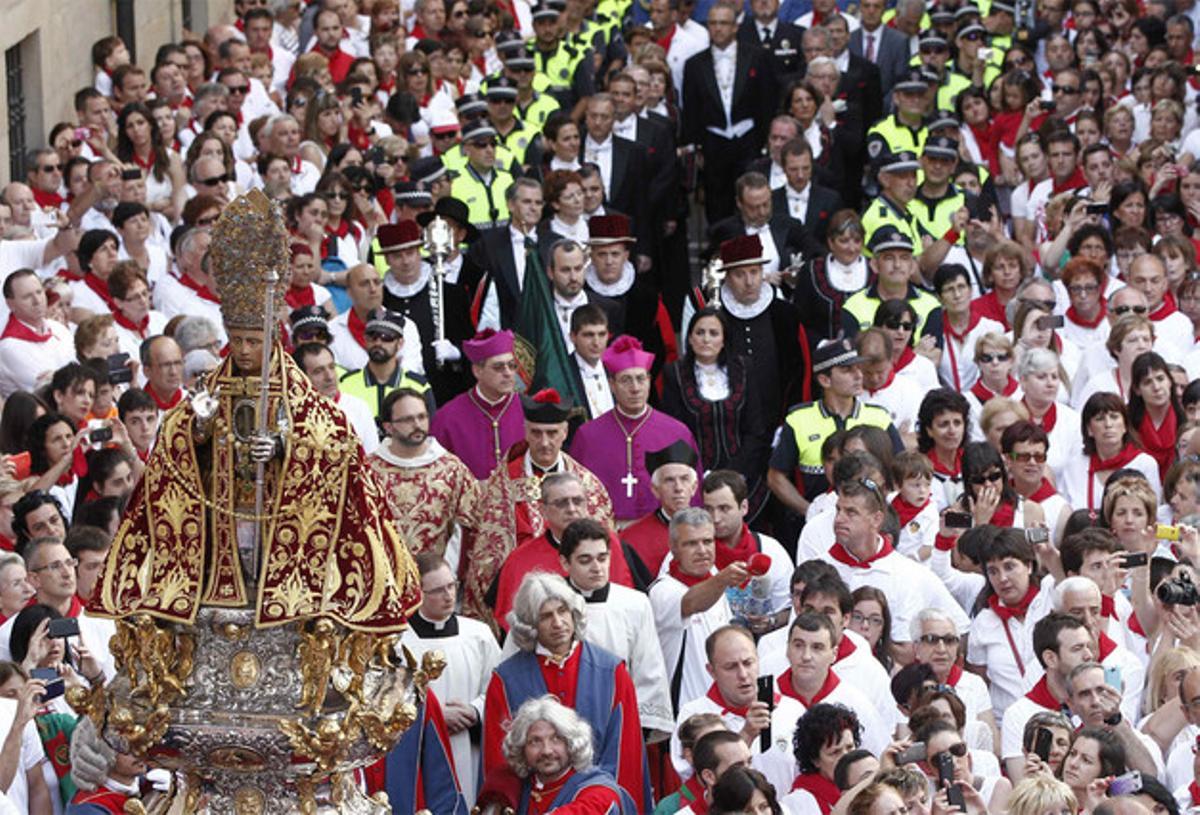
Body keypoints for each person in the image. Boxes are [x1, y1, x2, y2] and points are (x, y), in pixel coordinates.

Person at [87, 190, 421, 633]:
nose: (244, 351)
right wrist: (202, 430)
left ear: (270, 338)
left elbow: (332, 443)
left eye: (253, 341)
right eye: (237, 340)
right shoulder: (212, 384)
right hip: (222, 517)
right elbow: (178, 445)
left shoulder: (297, 392)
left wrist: (283, 445)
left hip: (281, 521)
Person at [482, 572, 652, 811]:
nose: (558, 623)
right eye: (545, 616)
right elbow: (499, 764)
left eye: (562, 611)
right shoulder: (506, 680)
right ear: (530, 625)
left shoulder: (611, 671)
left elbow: (624, 755)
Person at [466, 390, 618, 621]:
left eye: (552, 433)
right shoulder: (504, 483)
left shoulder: (588, 485)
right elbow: (488, 553)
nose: (544, 442)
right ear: (526, 431)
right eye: (536, 433)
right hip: (524, 588)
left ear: (565, 432)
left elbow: (606, 549)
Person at [555, 518, 674, 740]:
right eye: (585, 560)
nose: (597, 568)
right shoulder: (547, 602)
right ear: (565, 563)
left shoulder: (635, 603)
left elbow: (649, 668)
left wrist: (635, 725)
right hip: (559, 726)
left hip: (618, 723)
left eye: (602, 558)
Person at [399, 553, 500, 809]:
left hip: (468, 744)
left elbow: (499, 689)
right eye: (437, 590)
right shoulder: (398, 642)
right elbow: (387, 700)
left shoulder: (478, 634)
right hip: (419, 749)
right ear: (417, 593)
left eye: (451, 585)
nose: (448, 596)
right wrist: (433, 717)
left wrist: (475, 710)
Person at [570, 335, 701, 523]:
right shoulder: (588, 436)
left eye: (641, 379)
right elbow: (576, 494)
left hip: (665, 533)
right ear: (612, 385)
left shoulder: (677, 433)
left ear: (649, 380)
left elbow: (694, 495)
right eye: (626, 380)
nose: (635, 388)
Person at [488, 472, 636, 631]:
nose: (572, 509)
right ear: (542, 510)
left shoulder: (613, 545)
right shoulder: (520, 559)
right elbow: (513, 624)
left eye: (578, 501)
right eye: (561, 503)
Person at [660, 307, 772, 517]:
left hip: (743, 476)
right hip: (695, 478)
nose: (706, 339)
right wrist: (700, 473)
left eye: (713, 333)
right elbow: (674, 433)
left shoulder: (743, 369)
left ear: (723, 339)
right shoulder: (675, 374)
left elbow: (755, 429)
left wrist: (735, 472)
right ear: (690, 338)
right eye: (699, 333)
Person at [670, 624, 805, 796]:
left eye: (748, 663)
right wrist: (746, 735)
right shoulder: (694, 715)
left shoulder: (791, 710)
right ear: (711, 671)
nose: (743, 674)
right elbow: (692, 782)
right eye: (731, 667)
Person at [367, 388, 479, 571]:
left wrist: (447, 574)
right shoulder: (369, 471)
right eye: (407, 419)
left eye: (422, 417)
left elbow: (467, 529)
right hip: (385, 578)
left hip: (436, 582)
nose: (417, 425)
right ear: (388, 426)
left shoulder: (451, 469)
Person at [483, 695, 636, 814]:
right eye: (535, 741)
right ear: (522, 748)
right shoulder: (514, 786)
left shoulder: (599, 789)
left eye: (556, 739)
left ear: (571, 743)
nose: (546, 750)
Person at [429, 328, 525, 479]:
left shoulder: (529, 410)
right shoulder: (447, 417)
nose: (507, 373)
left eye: (512, 365)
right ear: (477, 371)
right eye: (498, 367)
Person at [620, 441, 700, 576]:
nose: (678, 488)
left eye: (684, 479)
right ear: (655, 490)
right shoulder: (631, 538)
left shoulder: (711, 529)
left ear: (694, 487)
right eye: (669, 480)